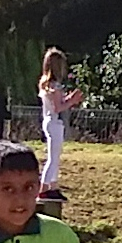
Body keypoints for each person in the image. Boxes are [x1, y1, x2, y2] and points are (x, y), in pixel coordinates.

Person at [37, 48, 86, 199]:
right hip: (54, 122)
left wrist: (69, 99)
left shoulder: (46, 84)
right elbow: (58, 107)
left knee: (54, 156)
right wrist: (72, 101)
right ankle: (44, 188)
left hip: (48, 121)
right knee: (53, 158)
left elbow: (57, 102)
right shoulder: (55, 85)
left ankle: (53, 186)